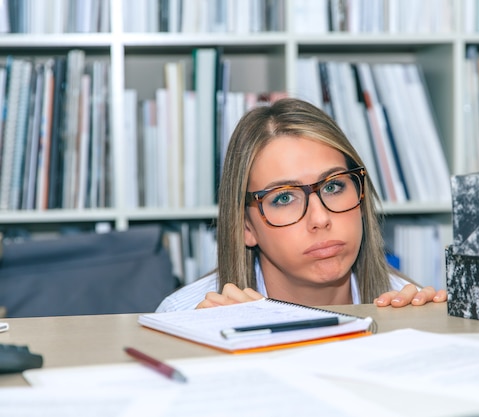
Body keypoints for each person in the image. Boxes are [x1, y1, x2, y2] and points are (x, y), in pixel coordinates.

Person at [156, 98, 447, 312]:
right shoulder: (184, 315)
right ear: (246, 226)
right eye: (283, 198)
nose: (319, 218)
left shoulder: (410, 309)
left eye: (333, 186)